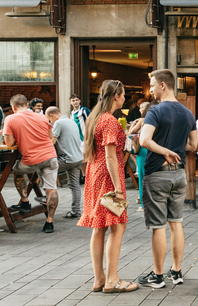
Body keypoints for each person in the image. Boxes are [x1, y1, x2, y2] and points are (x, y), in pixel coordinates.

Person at [77, 81, 138, 293]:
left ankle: (99, 279)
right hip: (108, 176)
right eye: (123, 95)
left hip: (95, 173)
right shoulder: (110, 121)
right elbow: (112, 157)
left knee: (99, 227)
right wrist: (120, 189)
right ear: (115, 96)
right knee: (117, 225)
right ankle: (112, 279)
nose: (125, 98)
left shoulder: (95, 117)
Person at [138, 69, 197, 289]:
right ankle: (177, 271)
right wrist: (175, 149)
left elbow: (144, 140)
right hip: (179, 174)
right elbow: (193, 145)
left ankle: (158, 275)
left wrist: (164, 151)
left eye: (152, 84)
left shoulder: (155, 111)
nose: (150, 89)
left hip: (158, 174)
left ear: (163, 85)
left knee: (158, 226)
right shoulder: (187, 113)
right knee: (176, 223)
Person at [3, 94, 59, 233]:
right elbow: (50, 136)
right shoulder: (41, 116)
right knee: (51, 189)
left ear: (13, 107)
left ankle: (25, 201)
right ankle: (49, 223)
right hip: (50, 156)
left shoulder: (10, 118)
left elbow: (9, 143)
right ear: (27, 105)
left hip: (31, 160)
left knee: (17, 171)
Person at [46, 106, 84, 219]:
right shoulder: (71, 122)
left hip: (66, 159)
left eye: (49, 119)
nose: (50, 122)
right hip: (78, 159)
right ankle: (76, 211)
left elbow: (52, 141)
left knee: (43, 169)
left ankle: (46, 196)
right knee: (75, 185)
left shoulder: (58, 123)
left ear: (52, 115)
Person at [128, 101, 153, 211]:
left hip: (143, 151)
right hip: (154, 150)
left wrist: (133, 123)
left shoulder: (143, 121)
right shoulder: (158, 121)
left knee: (143, 178)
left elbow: (131, 132)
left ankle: (144, 205)